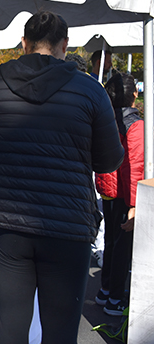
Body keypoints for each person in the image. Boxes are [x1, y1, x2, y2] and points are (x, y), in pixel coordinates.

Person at [0, 10, 124, 344]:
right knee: (60, 333)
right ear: (65, 45)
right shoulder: (90, 91)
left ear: (24, 43)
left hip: (6, 225)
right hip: (67, 225)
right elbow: (109, 159)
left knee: (10, 330)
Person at [94, 73, 143, 316]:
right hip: (124, 194)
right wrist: (135, 204)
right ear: (134, 94)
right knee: (121, 246)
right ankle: (114, 298)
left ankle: (105, 291)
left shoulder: (106, 119)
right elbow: (135, 166)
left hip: (108, 191)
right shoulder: (134, 125)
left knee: (111, 241)